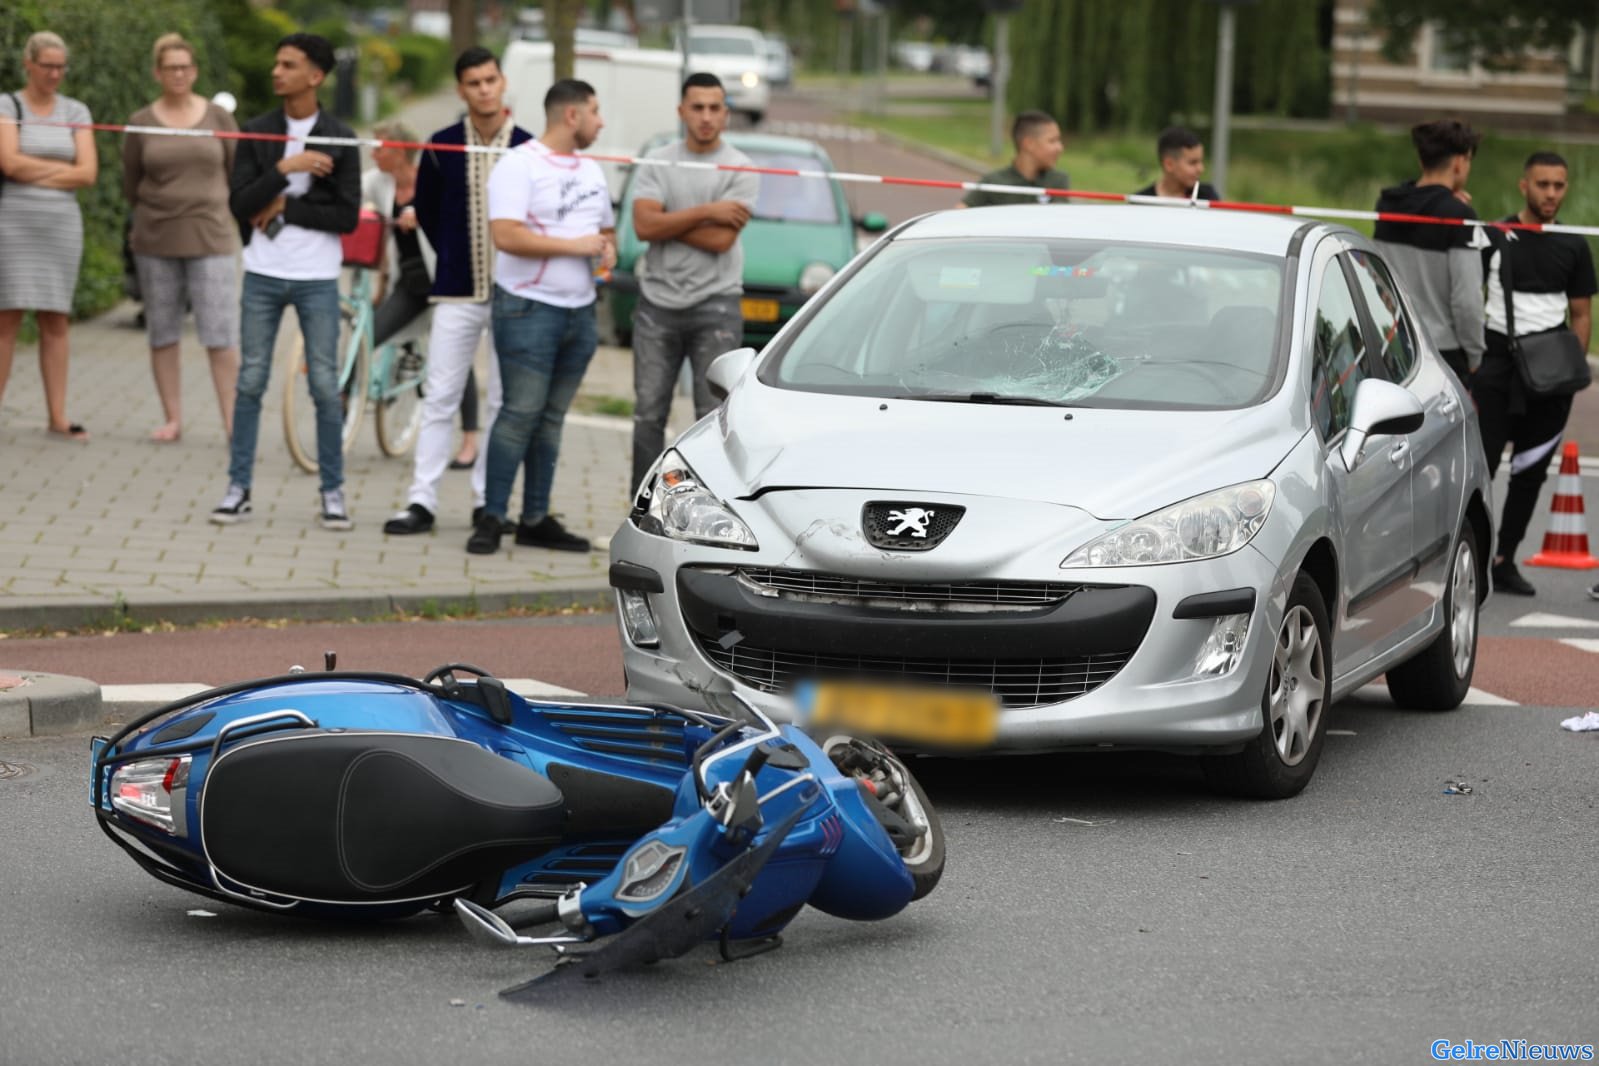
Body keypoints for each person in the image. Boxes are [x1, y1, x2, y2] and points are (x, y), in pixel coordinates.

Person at [210, 33, 359, 529]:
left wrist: (286, 207)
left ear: (314, 77)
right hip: (262, 275)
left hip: (317, 278)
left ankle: (333, 493)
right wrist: (285, 169)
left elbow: (347, 216)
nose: (276, 71)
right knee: (250, 380)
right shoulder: (257, 131)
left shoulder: (340, 135)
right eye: (275, 63)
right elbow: (239, 204)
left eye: (288, 65)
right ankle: (238, 488)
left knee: (322, 384)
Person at [383, 47, 532, 536]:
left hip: (514, 294)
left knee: (501, 401)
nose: (485, 89)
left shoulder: (529, 148)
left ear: (503, 82)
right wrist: (452, 252)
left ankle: (487, 504)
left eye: (491, 80)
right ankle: (421, 501)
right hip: (455, 290)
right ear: (461, 90)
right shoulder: (440, 145)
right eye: (474, 82)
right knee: (441, 394)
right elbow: (425, 208)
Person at [469, 79, 614, 555]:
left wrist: (605, 253)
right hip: (528, 309)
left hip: (579, 313)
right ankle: (492, 517)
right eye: (594, 111)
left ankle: (534, 517)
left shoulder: (592, 170)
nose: (601, 121)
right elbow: (506, 236)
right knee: (518, 415)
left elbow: (604, 231)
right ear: (571, 116)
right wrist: (575, 246)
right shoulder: (519, 164)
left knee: (550, 420)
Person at [1470, 152, 1595, 598]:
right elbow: (1466, 297)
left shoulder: (1575, 246)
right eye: (1543, 185)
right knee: (1478, 469)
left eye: (1559, 186)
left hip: (1549, 373)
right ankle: (1470, 560)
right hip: (1496, 367)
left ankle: (1504, 560)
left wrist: (1568, 371)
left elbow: (1581, 315)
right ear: (1524, 186)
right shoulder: (1494, 236)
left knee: (1531, 472)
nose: (1551, 194)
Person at [628, 72, 760, 492]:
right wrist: (707, 211)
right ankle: (641, 508)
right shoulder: (657, 160)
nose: (705, 116)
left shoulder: (740, 168)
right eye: (697, 107)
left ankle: (711, 511)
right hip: (656, 304)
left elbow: (722, 241)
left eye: (714, 107)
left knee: (712, 416)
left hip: (715, 303)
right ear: (681, 111)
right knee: (648, 413)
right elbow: (643, 226)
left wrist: (667, 220)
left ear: (726, 113)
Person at [123, 32, 241, 443]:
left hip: (210, 236)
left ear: (194, 71)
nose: (178, 74)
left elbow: (236, 171)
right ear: (158, 72)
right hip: (156, 239)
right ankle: (172, 418)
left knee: (220, 331)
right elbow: (131, 181)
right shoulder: (140, 122)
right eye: (170, 67)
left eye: (184, 67)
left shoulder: (218, 118)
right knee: (163, 329)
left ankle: (232, 421)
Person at [0, 31, 98, 441]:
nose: (55, 74)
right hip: (14, 223)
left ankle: (57, 415)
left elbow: (87, 173)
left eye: (61, 66)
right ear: (29, 64)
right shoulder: (8, 105)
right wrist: (60, 172)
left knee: (56, 319)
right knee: (7, 317)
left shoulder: (76, 110)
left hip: (60, 226)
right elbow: (8, 163)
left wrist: (34, 166)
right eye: (47, 66)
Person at [1372, 119, 1487, 386]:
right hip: (1443, 353)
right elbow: (1467, 299)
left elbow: (1377, 277)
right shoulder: (1459, 216)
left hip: (1393, 343)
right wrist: (1475, 356)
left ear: (1422, 160)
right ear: (1460, 162)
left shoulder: (1387, 204)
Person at [361, 121, 434, 351]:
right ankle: (342, 386)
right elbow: (349, 190)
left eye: (378, 149)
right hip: (410, 282)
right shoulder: (380, 181)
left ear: (399, 152)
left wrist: (421, 215)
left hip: (440, 281)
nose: (373, 155)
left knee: (452, 356)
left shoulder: (433, 181)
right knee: (367, 336)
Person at [959, 110, 1069, 208]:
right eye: (1052, 141)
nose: (1060, 148)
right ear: (1028, 144)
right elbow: (959, 214)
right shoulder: (994, 182)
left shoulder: (1057, 181)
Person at [1134, 126, 1220, 201]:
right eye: (1193, 163)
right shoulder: (1141, 202)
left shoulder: (1207, 197)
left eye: (1201, 161)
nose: (1201, 169)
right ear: (1169, 164)